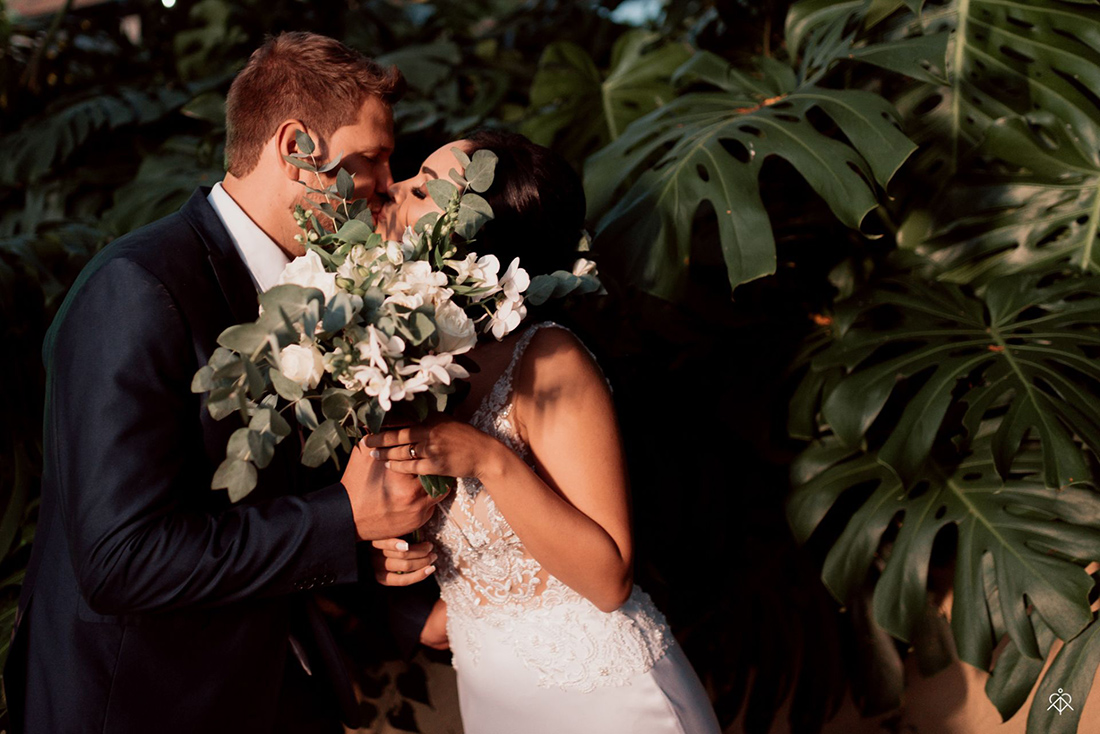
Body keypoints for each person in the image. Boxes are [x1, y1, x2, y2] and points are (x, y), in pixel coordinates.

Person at [3, 32, 443, 734]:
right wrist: (343, 519)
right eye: (370, 160)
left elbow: (275, 497)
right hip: (147, 705)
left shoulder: (324, 291)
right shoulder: (140, 289)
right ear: (297, 147)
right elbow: (121, 560)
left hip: (274, 692)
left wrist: (396, 585)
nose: (387, 186)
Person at [367, 130, 721, 734]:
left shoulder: (548, 360)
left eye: (421, 186)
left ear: (469, 235)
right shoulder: (399, 368)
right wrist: (410, 568)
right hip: (500, 704)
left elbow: (609, 580)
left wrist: (489, 459)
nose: (390, 188)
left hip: (608, 703)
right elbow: (482, 578)